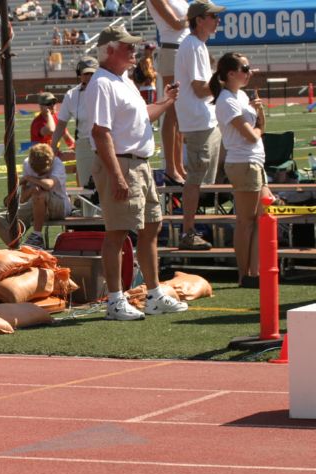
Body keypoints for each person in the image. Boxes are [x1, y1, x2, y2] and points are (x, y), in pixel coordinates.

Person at [84, 25, 188, 320]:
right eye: (127, 46)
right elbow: (101, 132)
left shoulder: (122, 79)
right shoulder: (102, 82)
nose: (134, 51)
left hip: (138, 162)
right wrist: (116, 175)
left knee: (151, 226)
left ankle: (153, 294)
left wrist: (167, 101)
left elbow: (143, 116)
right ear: (110, 50)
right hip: (121, 163)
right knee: (117, 233)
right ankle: (115, 300)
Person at [211, 53, 271, 288]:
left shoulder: (241, 96)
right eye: (245, 68)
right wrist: (258, 128)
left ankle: (254, 273)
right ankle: (243, 274)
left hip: (253, 161)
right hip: (243, 162)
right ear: (230, 74)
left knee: (260, 219)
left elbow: (258, 129)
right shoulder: (227, 100)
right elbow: (250, 135)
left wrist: (258, 117)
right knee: (246, 221)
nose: (249, 72)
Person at [173, 0, 225, 251]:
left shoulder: (197, 45)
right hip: (198, 121)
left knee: (207, 176)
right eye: (213, 17)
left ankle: (194, 229)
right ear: (199, 19)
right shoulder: (193, 46)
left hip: (203, 120)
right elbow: (200, 88)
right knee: (195, 179)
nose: (217, 21)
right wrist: (226, 80)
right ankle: (188, 231)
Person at [0, 144, 72, 248]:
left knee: (39, 195)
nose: (39, 175)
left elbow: (49, 185)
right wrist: (31, 189)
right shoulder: (27, 163)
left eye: (43, 172)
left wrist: (29, 178)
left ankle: (37, 236)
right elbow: (23, 198)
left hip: (59, 205)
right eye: (36, 172)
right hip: (34, 204)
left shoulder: (57, 163)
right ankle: (17, 249)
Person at [147, 0, 189, 185]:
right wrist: (194, 15)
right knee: (172, 113)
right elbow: (175, 23)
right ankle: (171, 168)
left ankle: (178, 166)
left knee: (180, 117)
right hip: (171, 50)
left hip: (182, 49)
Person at [52, 56, 98, 188]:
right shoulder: (71, 95)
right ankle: (87, 208)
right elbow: (61, 124)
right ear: (79, 74)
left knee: (106, 186)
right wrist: (53, 145)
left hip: (106, 142)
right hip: (84, 144)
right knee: (86, 186)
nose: (89, 77)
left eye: (92, 73)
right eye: (86, 73)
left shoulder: (106, 90)